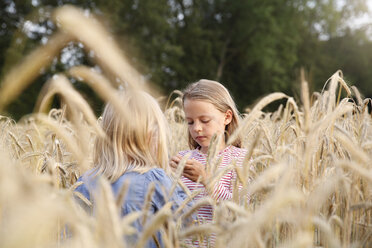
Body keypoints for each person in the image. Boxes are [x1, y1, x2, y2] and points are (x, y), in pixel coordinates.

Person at [74, 90, 191, 248]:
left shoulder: (83, 182)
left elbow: (69, 235)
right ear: (150, 135)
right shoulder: (154, 178)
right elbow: (191, 220)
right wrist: (195, 181)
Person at [170, 79, 247, 246]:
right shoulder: (182, 159)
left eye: (204, 120)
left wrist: (207, 180)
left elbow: (242, 210)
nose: (196, 128)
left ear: (227, 117)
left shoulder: (241, 160)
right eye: (190, 122)